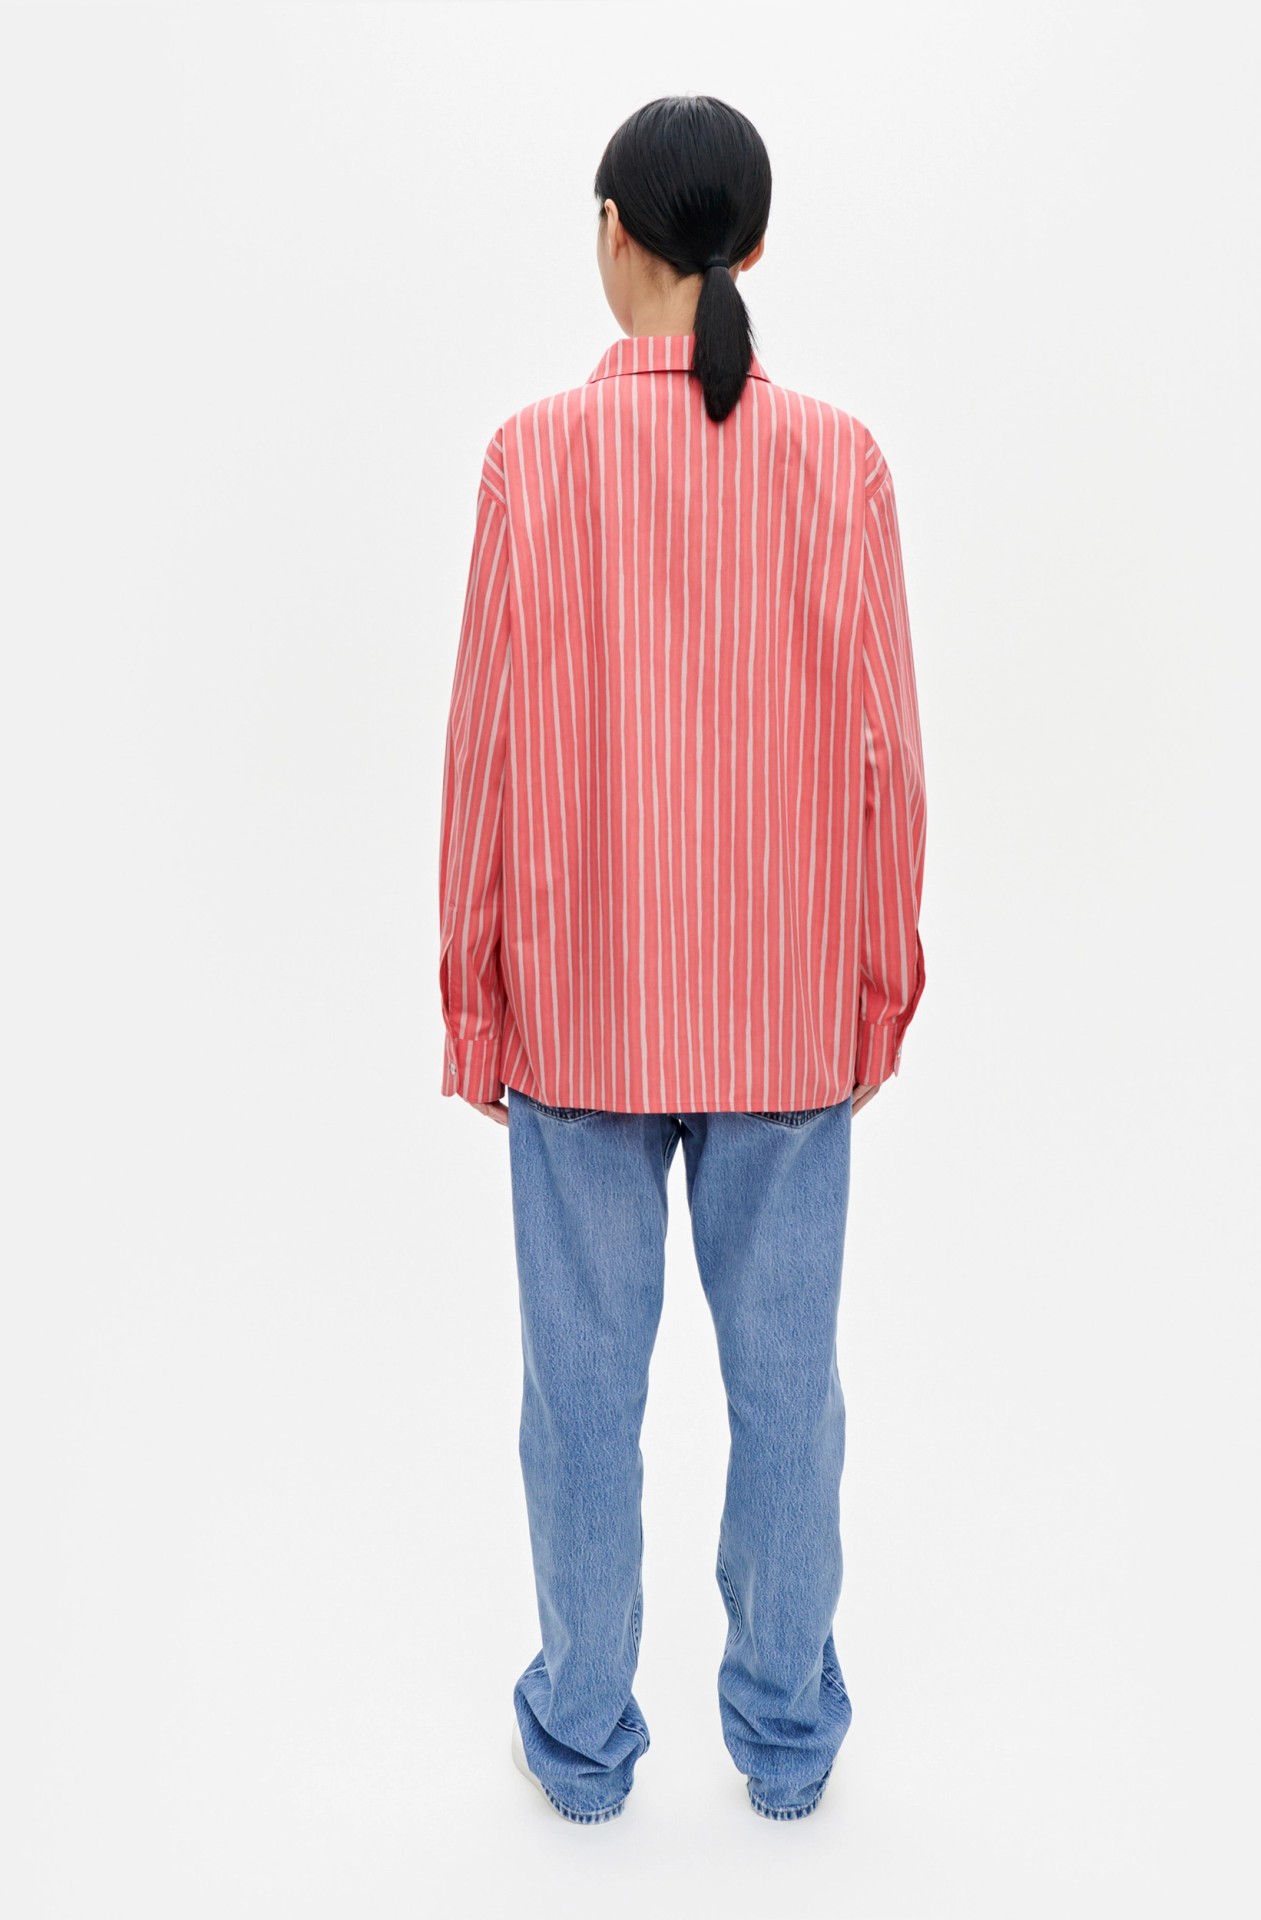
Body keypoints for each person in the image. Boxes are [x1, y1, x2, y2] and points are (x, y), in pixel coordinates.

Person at [437, 94, 928, 1825]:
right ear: (756, 247)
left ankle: (581, 1738)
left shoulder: (532, 459)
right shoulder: (843, 462)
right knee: (790, 1390)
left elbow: (485, 748)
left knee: (578, 1397)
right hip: (789, 1013)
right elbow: (890, 757)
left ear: (612, 233)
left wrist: (475, 994)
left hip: (581, 1006)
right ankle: (786, 1739)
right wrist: (879, 984)